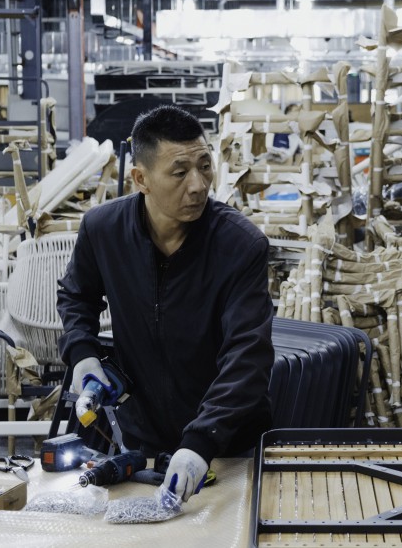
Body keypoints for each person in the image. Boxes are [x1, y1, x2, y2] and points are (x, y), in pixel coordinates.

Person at [57, 105, 274, 505]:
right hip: (144, 439)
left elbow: (248, 356)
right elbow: (76, 295)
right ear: (141, 179)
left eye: (205, 167)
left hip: (229, 444)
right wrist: (82, 352)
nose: (198, 185)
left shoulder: (240, 246)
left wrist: (202, 441)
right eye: (180, 172)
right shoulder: (103, 230)